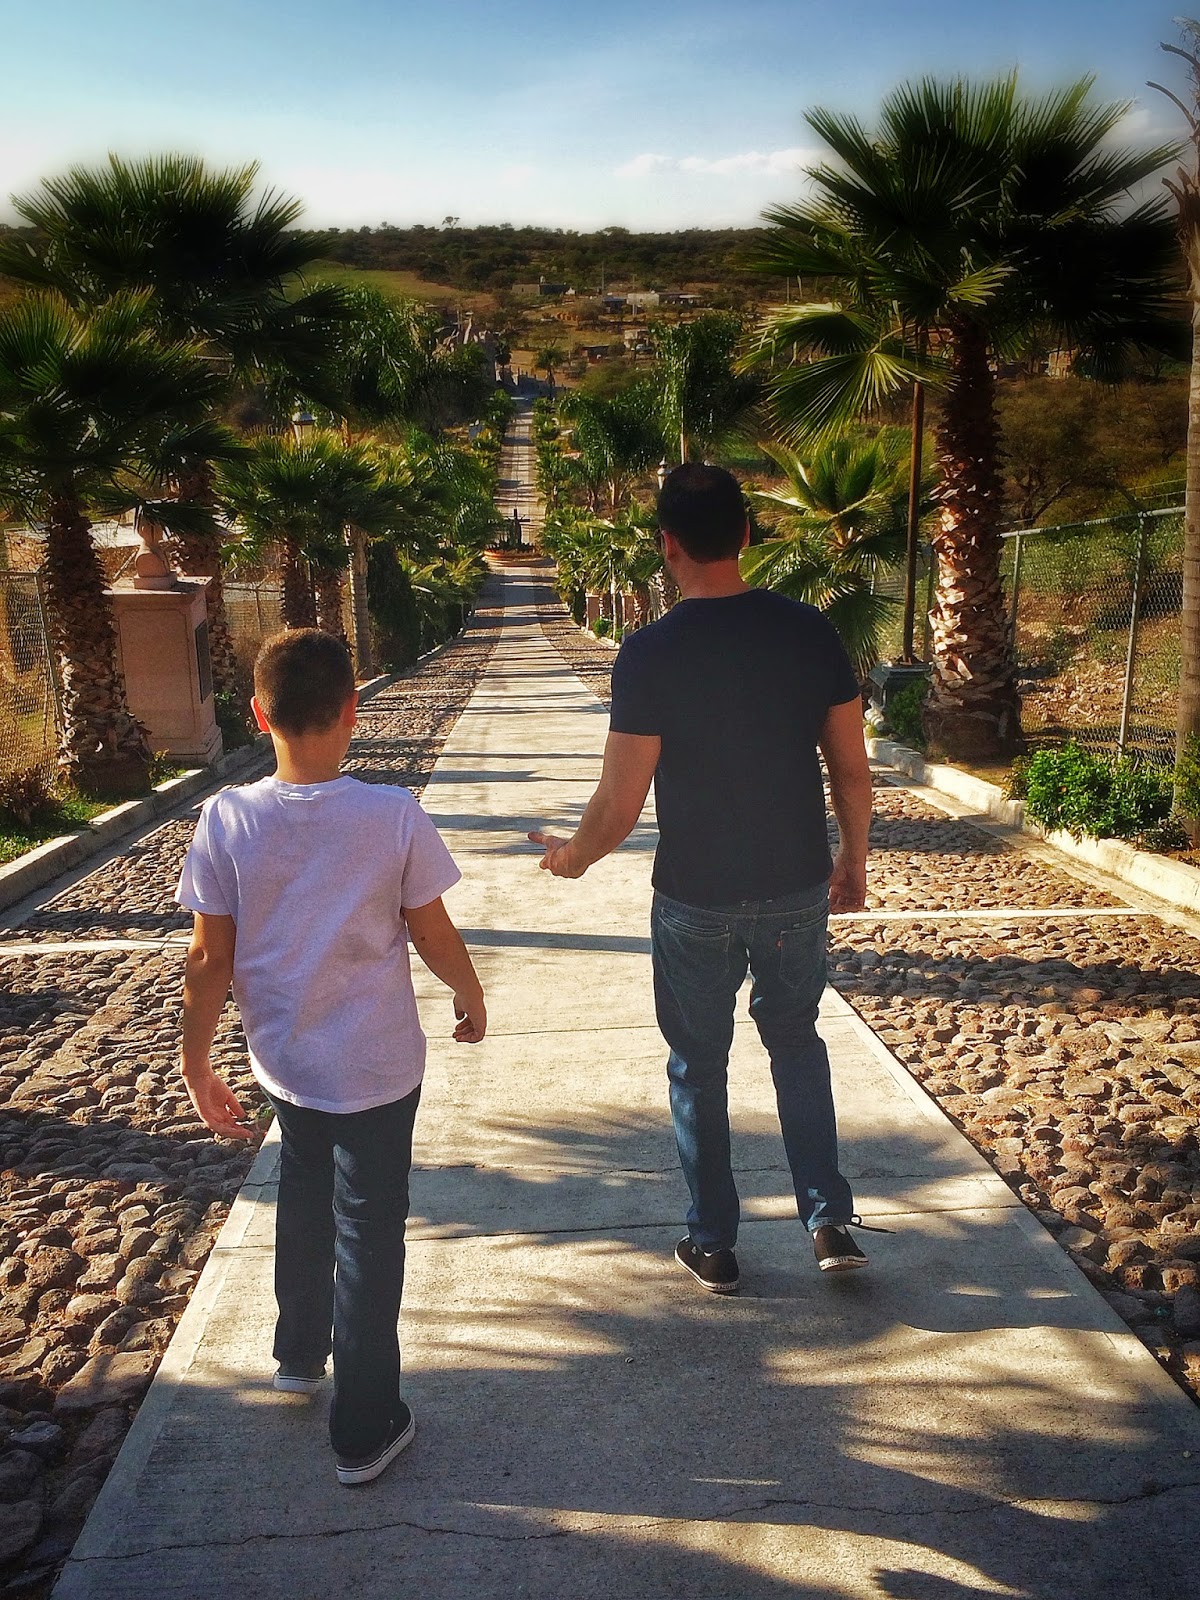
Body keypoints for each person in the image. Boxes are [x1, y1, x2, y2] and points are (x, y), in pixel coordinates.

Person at [530, 463, 873, 1292]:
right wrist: (853, 858)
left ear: (667, 544)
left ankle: (714, 1243)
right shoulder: (811, 633)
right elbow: (850, 767)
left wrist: (572, 856)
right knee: (796, 1043)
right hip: (795, 884)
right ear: (746, 534)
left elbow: (619, 801)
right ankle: (828, 1221)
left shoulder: (650, 653)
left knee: (697, 1065)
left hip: (695, 896)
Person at [176, 629, 486, 1485]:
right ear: (353, 709)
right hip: (379, 1068)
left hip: (286, 1061)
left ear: (257, 712)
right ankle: (364, 1425)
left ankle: (298, 1352)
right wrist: (469, 991)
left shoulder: (227, 819)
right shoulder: (391, 815)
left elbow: (208, 957)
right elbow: (430, 929)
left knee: (305, 1191)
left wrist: (196, 1062)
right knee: (370, 1228)